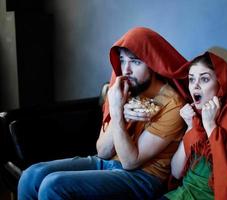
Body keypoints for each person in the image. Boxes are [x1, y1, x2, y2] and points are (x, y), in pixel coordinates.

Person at [17, 27, 191, 200]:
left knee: (54, 185)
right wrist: (120, 112)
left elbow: (130, 162)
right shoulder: (123, 90)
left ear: (153, 64)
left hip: (143, 177)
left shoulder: (172, 104)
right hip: (108, 163)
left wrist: (117, 113)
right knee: (31, 175)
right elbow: (102, 152)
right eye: (122, 61)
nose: (126, 70)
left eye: (135, 62)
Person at [161, 51, 227, 200]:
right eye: (191, 79)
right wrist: (191, 128)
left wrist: (211, 127)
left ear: (220, 82)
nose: (195, 86)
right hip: (179, 195)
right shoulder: (196, 115)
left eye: (204, 79)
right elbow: (176, 172)